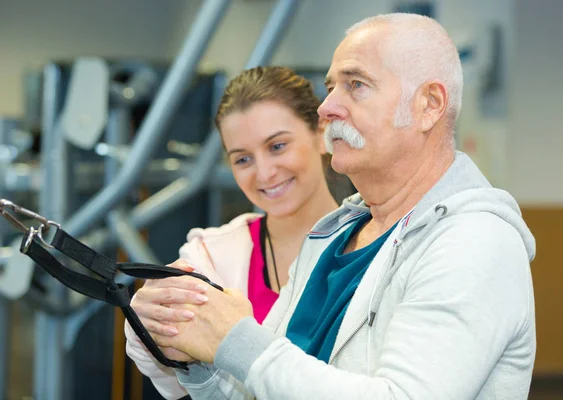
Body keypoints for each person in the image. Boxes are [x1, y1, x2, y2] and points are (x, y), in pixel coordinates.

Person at [148, 13, 537, 400]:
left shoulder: (475, 242)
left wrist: (236, 339)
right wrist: (197, 351)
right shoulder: (331, 236)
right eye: (332, 87)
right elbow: (260, 387)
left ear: (429, 105)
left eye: (356, 85)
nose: (326, 107)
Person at [124, 66, 340, 399]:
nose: (265, 173)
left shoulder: (376, 241)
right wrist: (147, 325)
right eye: (242, 159)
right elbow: (173, 382)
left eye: (278, 146)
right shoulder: (211, 254)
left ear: (321, 133)